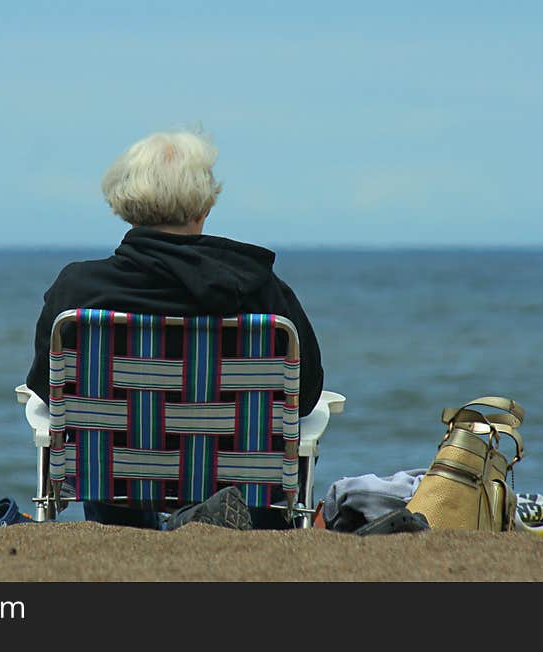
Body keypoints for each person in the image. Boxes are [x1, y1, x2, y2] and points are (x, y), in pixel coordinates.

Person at [25, 129, 324, 530]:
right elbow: (303, 398)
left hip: (117, 488)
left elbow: (49, 390)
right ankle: (216, 518)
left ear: (124, 204)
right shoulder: (260, 290)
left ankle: (126, 532)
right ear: (203, 207)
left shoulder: (78, 292)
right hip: (246, 494)